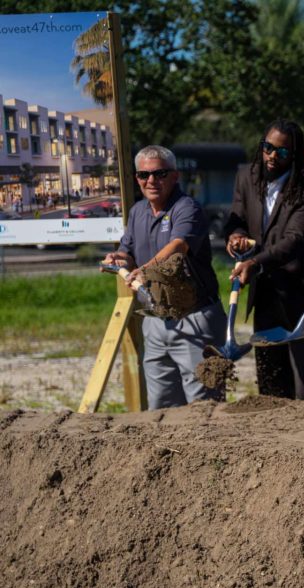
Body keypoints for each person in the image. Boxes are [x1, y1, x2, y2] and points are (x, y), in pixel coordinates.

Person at [224, 119, 304, 400]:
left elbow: (294, 241)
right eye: (267, 147)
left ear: (295, 154)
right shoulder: (246, 176)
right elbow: (237, 219)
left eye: (281, 152)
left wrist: (254, 263)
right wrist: (237, 236)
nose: (271, 156)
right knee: (270, 383)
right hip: (267, 293)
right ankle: (277, 443)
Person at [102, 145, 224, 409]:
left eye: (159, 174)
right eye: (143, 175)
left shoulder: (187, 208)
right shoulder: (137, 212)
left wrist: (145, 271)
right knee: (161, 407)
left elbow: (178, 247)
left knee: (205, 407)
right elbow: (128, 252)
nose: (151, 181)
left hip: (195, 320)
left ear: (174, 176)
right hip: (155, 321)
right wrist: (117, 259)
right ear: (136, 178)